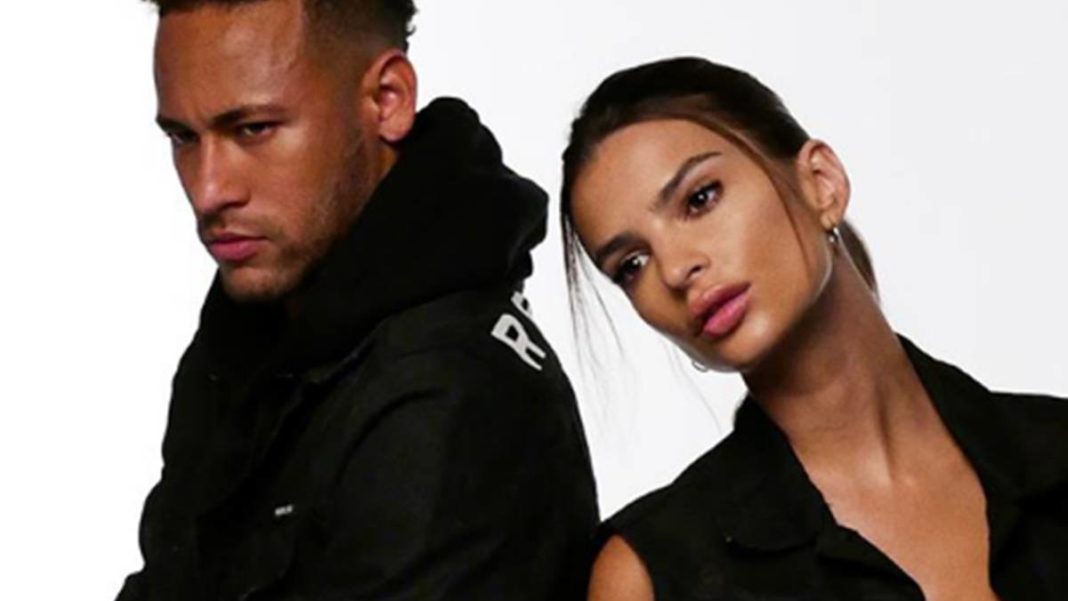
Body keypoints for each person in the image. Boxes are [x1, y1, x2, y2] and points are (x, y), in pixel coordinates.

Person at [118, 0, 599, 599]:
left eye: (253, 129)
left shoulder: (450, 395)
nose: (208, 189)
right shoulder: (251, 336)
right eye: (182, 137)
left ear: (387, 100)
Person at [560, 57, 1068, 601]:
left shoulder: (1055, 452)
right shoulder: (651, 575)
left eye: (700, 199)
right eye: (632, 264)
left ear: (821, 183)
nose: (676, 269)